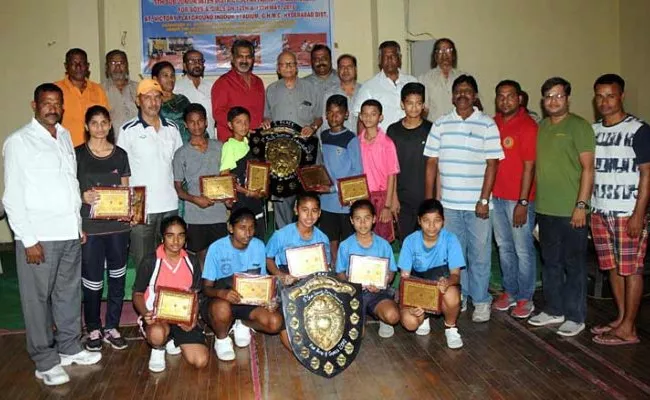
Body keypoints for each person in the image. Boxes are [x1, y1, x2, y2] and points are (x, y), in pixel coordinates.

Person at [3, 83, 101, 386]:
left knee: (68, 295)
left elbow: (69, 185)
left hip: (68, 233)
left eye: (57, 103)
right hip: (39, 236)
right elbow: (12, 197)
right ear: (34, 105)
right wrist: (28, 239)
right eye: (46, 102)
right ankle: (45, 360)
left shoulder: (65, 136)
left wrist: (77, 225)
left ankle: (69, 348)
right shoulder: (19, 142)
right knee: (37, 300)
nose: (52, 108)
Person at [423, 75, 504, 323]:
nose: (462, 95)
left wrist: (483, 200)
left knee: (479, 255)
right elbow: (432, 164)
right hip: (448, 205)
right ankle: (463, 296)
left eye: (468, 91)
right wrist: (430, 204)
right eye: (458, 91)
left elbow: (492, 164)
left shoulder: (488, 125)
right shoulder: (440, 124)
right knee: (456, 257)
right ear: (452, 96)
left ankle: (481, 301)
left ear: (476, 95)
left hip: (477, 205)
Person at [528, 77, 595, 337]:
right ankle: (554, 309)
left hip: (572, 211)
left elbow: (588, 169)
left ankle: (576, 316)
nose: (553, 101)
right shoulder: (541, 127)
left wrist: (581, 205)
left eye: (558, 96)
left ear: (567, 98)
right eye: (548, 96)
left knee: (574, 264)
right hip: (545, 210)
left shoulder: (579, 126)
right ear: (542, 101)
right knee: (550, 263)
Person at [590, 74, 650, 345]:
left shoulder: (638, 130)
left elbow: (648, 174)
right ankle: (622, 318)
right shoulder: (593, 131)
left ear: (621, 96)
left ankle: (630, 329)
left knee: (631, 269)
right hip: (600, 210)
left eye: (610, 95)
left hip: (627, 212)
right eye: (600, 96)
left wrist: (639, 213)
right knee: (612, 267)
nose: (605, 101)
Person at [76, 106, 131, 351]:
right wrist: (81, 197)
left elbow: (126, 192)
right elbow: (67, 189)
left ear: (110, 125)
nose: (100, 127)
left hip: (117, 228)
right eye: (94, 123)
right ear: (87, 126)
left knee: (117, 278)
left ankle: (111, 326)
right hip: (91, 228)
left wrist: (131, 212)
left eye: (104, 122)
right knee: (92, 282)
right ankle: (93, 327)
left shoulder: (120, 154)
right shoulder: (76, 155)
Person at [117, 79, 183, 275]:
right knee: (143, 261)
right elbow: (121, 171)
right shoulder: (128, 130)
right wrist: (125, 207)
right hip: (139, 204)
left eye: (157, 97)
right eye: (147, 98)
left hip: (169, 203)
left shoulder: (172, 128)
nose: (153, 102)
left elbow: (179, 165)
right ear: (138, 101)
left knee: (169, 259)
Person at [201, 208, 283, 361]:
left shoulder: (258, 245)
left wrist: (270, 300)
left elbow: (263, 281)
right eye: (242, 228)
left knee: (275, 323)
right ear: (231, 228)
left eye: (251, 227)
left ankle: (243, 323)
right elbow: (206, 288)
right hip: (221, 300)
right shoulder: (217, 248)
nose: (248, 232)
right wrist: (222, 294)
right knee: (221, 309)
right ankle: (222, 339)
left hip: (249, 300)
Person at [132, 216, 208, 372]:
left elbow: (195, 295)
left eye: (181, 235)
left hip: (182, 318)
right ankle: (158, 348)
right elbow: (138, 293)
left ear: (186, 238)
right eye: (170, 235)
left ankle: (173, 340)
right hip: (158, 318)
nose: (176, 241)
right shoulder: (150, 261)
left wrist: (193, 318)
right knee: (157, 334)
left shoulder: (192, 261)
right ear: (162, 237)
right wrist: (146, 313)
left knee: (200, 361)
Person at [491, 80, 538, 319]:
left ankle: (525, 298)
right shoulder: (494, 123)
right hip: (496, 198)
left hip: (518, 201)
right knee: (504, 248)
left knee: (523, 250)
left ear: (519, 98)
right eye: (501, 96)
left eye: (510, 96)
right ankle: (510, 292)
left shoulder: (528, 126)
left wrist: (523, 202)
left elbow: (530, 167)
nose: (505, 100)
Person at [262, 51, 323, 229]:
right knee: (282, 202)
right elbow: (267, 117)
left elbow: (319, 117)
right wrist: (266, 121)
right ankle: (284, 245)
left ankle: (309, 243)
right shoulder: (271, 90)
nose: (288, 67)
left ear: (297, 66)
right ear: (278, 69)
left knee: (309, 198)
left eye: (291, 63)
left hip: (307, 155)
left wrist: (312, 127)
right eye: (284, 64)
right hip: (281, 159)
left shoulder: (311, 88)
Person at [265, 192, 331, 349]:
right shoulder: (281, 235)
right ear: (296, 210)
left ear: (320, 213)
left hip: (313, 279)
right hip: (287, 278)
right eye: (304, 210)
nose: (309, 215)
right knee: (289, 308)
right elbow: (268, 259)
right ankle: (297, 346)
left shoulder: (323, 238)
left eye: (314, 210)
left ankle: (321, 340)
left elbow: (325, 267)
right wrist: (281, 275)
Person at [398, 199, 464, 349]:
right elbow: (405, 278)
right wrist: (412, 303)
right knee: (410, 323)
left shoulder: (451, 240)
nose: (432, 226)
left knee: (452, 295)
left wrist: (447, 282)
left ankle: (451, 328)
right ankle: (424, 317)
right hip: (418, 292)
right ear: (419, 221)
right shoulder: (410, 241)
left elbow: (456, 275)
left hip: (441, 288)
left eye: (437, 221)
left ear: (443, 221)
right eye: (426, 221)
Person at [173, 103, 228, 268]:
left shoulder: (220, 147)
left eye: (200, 121)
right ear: (185, 124)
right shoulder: (181, 154)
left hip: (218, 214)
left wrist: (229, 198)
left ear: (206, 122)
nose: (196, 126)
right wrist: (195, 199)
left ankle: (218, 291)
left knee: (220, 257)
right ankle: (201, 292)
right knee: (199, 259)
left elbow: (227, 178)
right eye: (192, 122)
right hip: (195, 216)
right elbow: (178, 189)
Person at [336, 200, 400, 338]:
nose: (363, 223)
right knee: (357, 335)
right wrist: (350, 284)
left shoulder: (383, 245)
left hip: (377, 292)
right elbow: (340, 272)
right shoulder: (345, 245)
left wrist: (383, 282)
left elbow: (392, 271)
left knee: (393, 316)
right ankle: (359, 318)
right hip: (354, 293)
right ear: (351, 221)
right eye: (358, 219)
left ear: (374, 219)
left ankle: (383, 319)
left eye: (367, 218)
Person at [320, 95, 363, 267]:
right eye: (330, 112)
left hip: (345, 202)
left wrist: (333, 189)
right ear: (325, 115)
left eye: (338, 113)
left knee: (347, 242)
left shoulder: (351, 138)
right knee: (331, 241)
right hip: (325, 202)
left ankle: (347, 274)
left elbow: (357, 172)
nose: (334, 116)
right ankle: (333, 272)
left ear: (346, 115)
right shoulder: (323, 136)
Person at [387, 82, 432, 238]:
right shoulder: (393, 131)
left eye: (418, 103)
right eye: (409, 103)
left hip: (425, 196)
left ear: (423, 105)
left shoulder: (431, 129)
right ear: (402, 104)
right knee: (406, 242)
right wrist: (393, 198)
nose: (414, 108)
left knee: (426, 243)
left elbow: (437, 167)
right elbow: (390, 168)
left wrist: (434, 199)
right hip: (402, 199)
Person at [219, 106, 266, 240]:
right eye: (238, 122)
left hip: (254, 199)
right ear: (230, 125)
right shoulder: (229, 146)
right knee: (243, 239)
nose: (243, 126)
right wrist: (247, 192)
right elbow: (226, 177)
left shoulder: (249, 142)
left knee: (258, 237)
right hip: (241, 200)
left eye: (246, 122)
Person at [352, 41, 418, 132]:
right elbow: (361, 121)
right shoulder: (369, 87)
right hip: (382, 143)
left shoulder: (412, 81)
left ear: (399, 58)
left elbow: (422, 110)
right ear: (380, 59)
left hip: (412, 138)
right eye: (385, 57)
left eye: (393, 56)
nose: (389, 60)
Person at [359, 99, 400, 242]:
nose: (368, 117)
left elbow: (392, 175)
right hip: (363, 196)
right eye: (365, 114)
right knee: (364, 236)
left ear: (380, 117)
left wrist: (388, 205)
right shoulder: (357, 142)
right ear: (360, 116)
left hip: (382, 197)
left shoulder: (387, 143)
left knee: (382, 239)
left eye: (373, 114)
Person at [211, 39, 265, 142]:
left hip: (256, 142)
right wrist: (243, 129)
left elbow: (259, 113)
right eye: (240, 56)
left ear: (253, 59)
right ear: (232, 58)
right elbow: (218, 114)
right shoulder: (223, 83)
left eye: (248, 57)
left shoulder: (258, 82)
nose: (244, 61)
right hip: (232, 143)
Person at [55, 48, 110, 146]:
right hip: (65, 149)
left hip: (93, 150)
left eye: (82, 63)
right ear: (66, 66)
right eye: (74, 63)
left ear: (87, 66)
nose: (78, 67)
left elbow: (105, 121)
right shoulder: (56, 89)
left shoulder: (98, 90)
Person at [418, 38, 466, 121]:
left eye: (448, 50)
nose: (444, 55)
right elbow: (423, 111)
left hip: (460, 129)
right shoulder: (424, 79)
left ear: (454, 55)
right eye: (440, 51)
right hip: (435, 130)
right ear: (435, 56)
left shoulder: (464, 78)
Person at [175, 50, 216, 138]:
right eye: (192, 61)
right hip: (186, 142)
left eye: (200, 61)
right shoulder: (176, 88)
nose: (197, 64)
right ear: (185, 66)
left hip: (210, 140)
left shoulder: (212, 87)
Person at [151, 61, 192, 143]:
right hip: (163, 145)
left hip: (186, 145)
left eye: (172, 75)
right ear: (155, 79)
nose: (170, 79)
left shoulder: (182, 100)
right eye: (165, 75)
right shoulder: (152, 103)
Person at [321, 54, 362, 133]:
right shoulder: (330, 94)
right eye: (342, 67)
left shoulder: (364, 91)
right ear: (338, 70)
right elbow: (325, 123)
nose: (345, 70)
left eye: (349, 67)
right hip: (338, 141)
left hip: (360, 142)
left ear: (355, 69)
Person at [102, 49, 139, 138]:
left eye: (121, 63)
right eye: (113, 63)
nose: (118, 67)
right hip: (112, 145)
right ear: (107, 67)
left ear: (127, 66)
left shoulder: (139, 88)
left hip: (138, 142)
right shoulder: (99, 90)